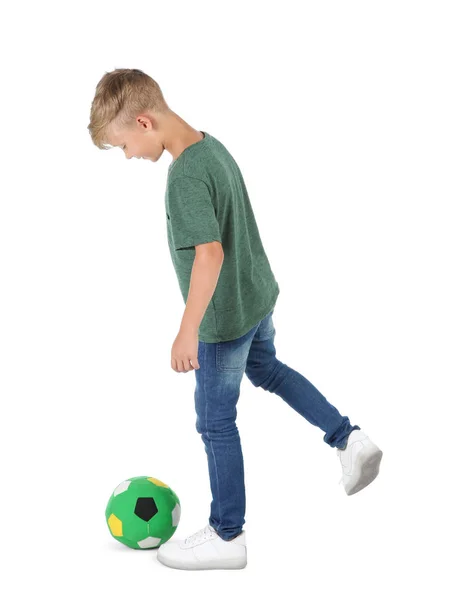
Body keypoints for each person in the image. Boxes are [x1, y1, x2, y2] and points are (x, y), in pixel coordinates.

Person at [88, 68, 383, 571]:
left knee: (216, 423)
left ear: (142, 122)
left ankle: (228, 534)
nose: (128, 157)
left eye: (123, 146)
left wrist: (188, 330)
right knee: (269, 370)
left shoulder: (183, 176)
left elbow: (210, 254)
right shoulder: (208, 145)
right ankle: (349, 437)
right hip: (256, 300)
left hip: (223, 323)